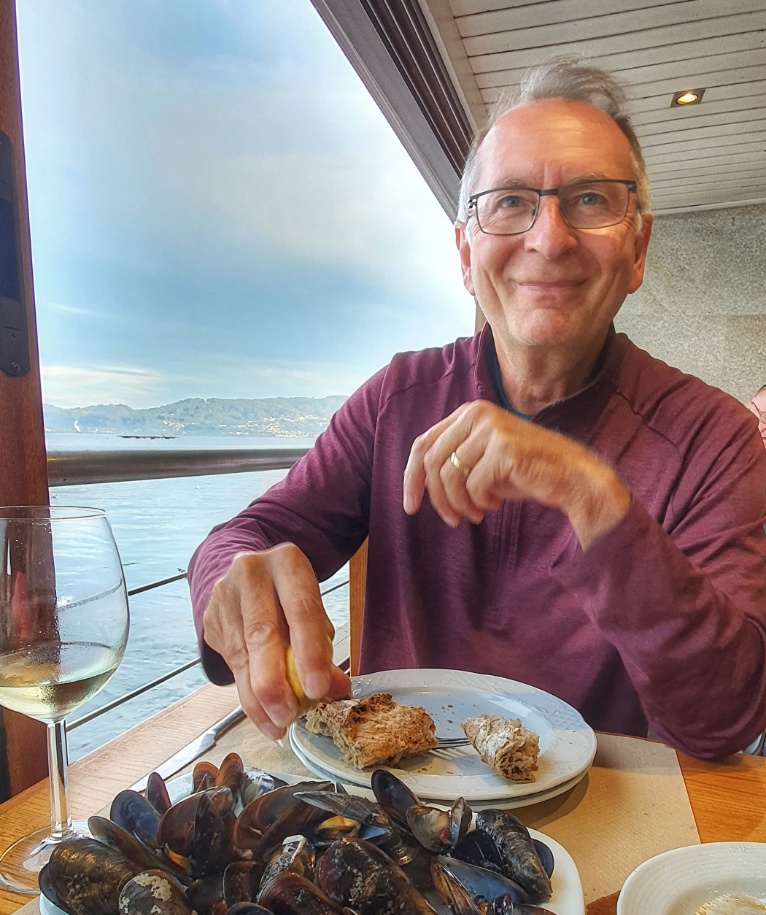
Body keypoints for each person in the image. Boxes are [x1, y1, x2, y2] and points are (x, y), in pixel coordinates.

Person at [188, 57, 766, 761]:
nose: (549, 238)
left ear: (638, 249)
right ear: (466, 254)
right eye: (511, 202)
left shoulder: (716, 439)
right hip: (393, 799)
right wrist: (231, 580)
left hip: (605, 806)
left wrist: (591, 496)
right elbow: (252, 533)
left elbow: (723, 718)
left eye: (590, 200)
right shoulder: (396, 398)